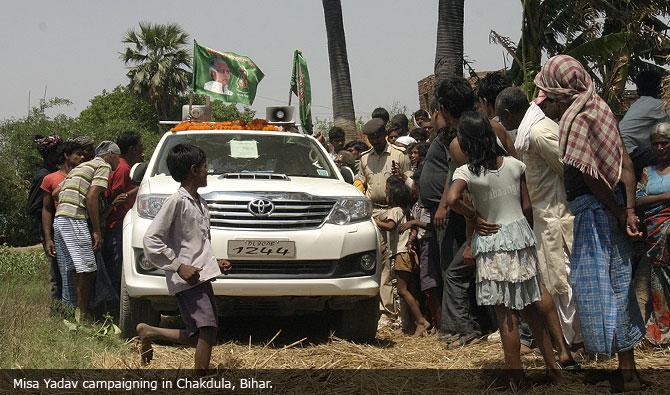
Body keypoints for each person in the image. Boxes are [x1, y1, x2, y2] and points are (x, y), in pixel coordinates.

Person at [535, 55, 647, 391]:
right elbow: (625, 162)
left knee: (609, 290)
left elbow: (590, 175)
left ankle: (627, 375)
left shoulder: (576, 118)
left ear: (561, 94)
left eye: (548, 99)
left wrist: (616, 211)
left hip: (597, 213)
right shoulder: (599, 108)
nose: (546, 108)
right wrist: (628, 210)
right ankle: (625, 369)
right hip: (609, 210)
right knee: (617, 286)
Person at [446, 111, 562, 387]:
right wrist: (523, 230)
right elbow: (526, 206)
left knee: (506, 314)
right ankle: (553, 368)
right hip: (520, 237)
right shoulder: (514, 165)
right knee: (532, 308)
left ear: (467, 142)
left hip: (493, 241)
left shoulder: (467, 172)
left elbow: (452, 199)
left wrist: (473, 215)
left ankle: (516, 376)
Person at [430, 76, 518, 348]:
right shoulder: (495, 127)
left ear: (444, 110)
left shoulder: (459, 143)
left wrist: (472, 222)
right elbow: (516, 165)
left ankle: (463, 329)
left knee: (458, 272)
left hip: (489, 221)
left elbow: (470, 190)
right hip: (513, 215)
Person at [496, 87, 583, 359]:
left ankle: (577, 343)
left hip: (556, 216)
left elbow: (568, 168)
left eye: (501, 118)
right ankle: (568, 344)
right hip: (544, 218)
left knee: (562, 281)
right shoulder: (529, 133)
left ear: (509, 114)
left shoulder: (538, 132)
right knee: (553, 280)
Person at [138, 143, 231, 371]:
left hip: (201, 276)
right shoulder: (177, 201)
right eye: (204, 167)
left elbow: (194, 243)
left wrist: (214, 263)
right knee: (207, 330)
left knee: (199, 334)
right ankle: (200, 380)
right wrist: (178, 267)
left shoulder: (199, 203)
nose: (207, 171)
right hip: (188, 279)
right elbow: (151, 239)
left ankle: (149, 331)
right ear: (193, 170)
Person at [53, 141, 120, 321]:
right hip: (74, 218)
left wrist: (69, 199)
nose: (118, 163)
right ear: (111, 155)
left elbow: (55, 193)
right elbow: (91, 196)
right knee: (87, 268)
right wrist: (97, 230)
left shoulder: (81, 167)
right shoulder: (103, 166)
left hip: (60, 219)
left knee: (73, 269)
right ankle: (83, 315)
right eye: (118, 158)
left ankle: (73, 313)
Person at [354, 118, 412, 327]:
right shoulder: (364, 159)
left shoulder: (399, 155)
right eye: (371, 138)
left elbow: (410, 184)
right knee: (377, 259)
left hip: (394, 212)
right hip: (373, 212)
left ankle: (390, 313)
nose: (375, 141)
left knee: (390, 263)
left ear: (385, 135)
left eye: (378, 137)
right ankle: (381, 310)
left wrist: (404, 178)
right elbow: (361, 180)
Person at [375, 177, 432, 336]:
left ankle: (421, 321)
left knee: (402, 290)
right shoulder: (406, 211)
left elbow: (390, 226)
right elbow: (411, 229)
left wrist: (375, 222)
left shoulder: (395, 210)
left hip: (400, 254)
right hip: (407, 253)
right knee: (411, 289)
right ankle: (413, 324)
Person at [635, 122, 670, 347]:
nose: (659, 148)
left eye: (664, 143)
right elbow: (639, 199)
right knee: (659, 279)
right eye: (655, 144)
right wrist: (665, 196)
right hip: (655, 231)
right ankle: (663, 328)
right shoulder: (647, 172)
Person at [40, 140, 84, 314]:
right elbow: (46, 209)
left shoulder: (84, 176)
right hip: (60, 232)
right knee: (59, 274)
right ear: (66, 156)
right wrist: (48, 238)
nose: (81, 157)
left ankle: (82, 311)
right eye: (77, 154)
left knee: (81, 273)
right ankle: (61, 312)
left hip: (80, 228)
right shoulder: (50, 179)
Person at [102, 132, 144, 311]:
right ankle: (114, 308)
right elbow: (117, 195)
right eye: (141, 146)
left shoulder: (123, 167)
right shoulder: (123, 168)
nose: (143, 150)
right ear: (132, 149)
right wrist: (139, 188)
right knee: (117, 268)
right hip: (116, 223)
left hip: (117, 223)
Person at [403, 166, 441, 329]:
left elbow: (434, 225)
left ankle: (441, 324)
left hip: (429, 242)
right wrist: (412, 237)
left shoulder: (429, 201)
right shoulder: (417, 202)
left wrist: (414, 223)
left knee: (431, 283)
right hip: (420, 242)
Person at [619, 69, 670, 180]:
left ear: (638, 90)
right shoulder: (658, 105)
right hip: (631, 152)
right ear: (660, 88)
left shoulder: (637, 104)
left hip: (620, 152)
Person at [27, 135, 63, 245]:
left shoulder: (55, 171)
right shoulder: (43, 176)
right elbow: (34, 207)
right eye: (58, 151)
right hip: (50, 228)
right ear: (50, 154)